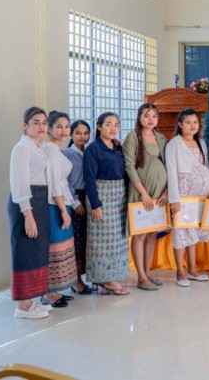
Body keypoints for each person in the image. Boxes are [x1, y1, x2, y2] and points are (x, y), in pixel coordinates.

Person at [165, 109, 209, 287]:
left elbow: (205, 166)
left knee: (192, 230)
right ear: (180, 124)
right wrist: (174, 199)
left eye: (195, 122)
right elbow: (171, 172)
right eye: (188, 122)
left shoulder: (201, 142)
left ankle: (192, 269)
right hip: (183, 193)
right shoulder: (174, 144)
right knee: (181, 231)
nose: (192, 125)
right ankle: (180, 272)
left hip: (200, 195)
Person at [9, 107, 51, 319]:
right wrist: (28, 214)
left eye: (44, 122)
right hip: (26, 203)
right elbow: (20, 183)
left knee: (36, 250)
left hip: (39, 201)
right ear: (25, 125)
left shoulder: (36, 146)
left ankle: (31, 299)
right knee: (25, 250)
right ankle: (22, 306)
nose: (41, 126)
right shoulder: (22, 148)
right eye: (36, 122)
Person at [122, 103, 168, 291]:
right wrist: (144, 193)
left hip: (159, 194)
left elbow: (168, 164)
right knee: (140, 234)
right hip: (142, 194)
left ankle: (148, 272)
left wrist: (166, 192)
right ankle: (141, 277)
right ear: (139, 117)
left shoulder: (161, 138)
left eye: (154, 116)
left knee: (152, 233)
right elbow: (129, 166)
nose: (150, 119)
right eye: (146, 115)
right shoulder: (133, 137)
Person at [84, 112, 129, 295]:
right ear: (99, 126)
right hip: (101, 197)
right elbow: (89, 179)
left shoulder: (117, 147)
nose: (113, 128)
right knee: (103, 240)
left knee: (118, 239)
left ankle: (113, 275)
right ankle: (104, 279)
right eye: (108, 124)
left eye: (116, 124)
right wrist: (95, 204)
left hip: (119, 198)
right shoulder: (93, 149)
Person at [41, 112, 78, 308]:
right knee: (54, 247)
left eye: (66, 126)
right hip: (54, 204)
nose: (64, 131)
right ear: (49, 129)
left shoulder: (56, 149)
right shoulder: (49, 149)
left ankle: (53, 290)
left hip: (61, 201)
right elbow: (55, 183)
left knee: (60, 246)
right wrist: (63, 210)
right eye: (59, 127)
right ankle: (48, 292)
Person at [62, 120, 92, 295]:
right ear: (71, 134)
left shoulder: (89, 152)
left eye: (86, 133)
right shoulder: (66, 154)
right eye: (78, 133)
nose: (82, 136)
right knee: (76, 241)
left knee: (87, 239)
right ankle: (76, 280)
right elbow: (63, 181)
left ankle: (87, 276)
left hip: (89, 197)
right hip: (75, 199)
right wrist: (75, 202)